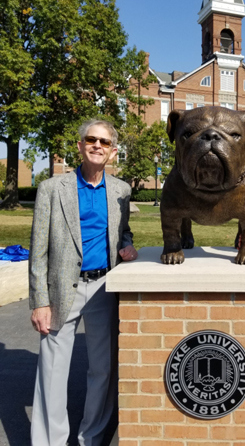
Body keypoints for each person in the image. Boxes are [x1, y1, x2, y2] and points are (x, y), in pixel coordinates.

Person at [29, 119, 138, 446]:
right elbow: (38, 249)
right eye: (91, 139)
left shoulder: (121, 190)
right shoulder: (52, 188)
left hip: (104, 287)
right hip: (62, 289)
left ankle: (91, 437)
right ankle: (51, 441)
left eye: (104, 142)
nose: (97, 145)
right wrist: (39, 301)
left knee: (102, 371)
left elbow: (123, 230)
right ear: (80, 145)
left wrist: (126, 244)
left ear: (113, 151)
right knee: (52, 373)